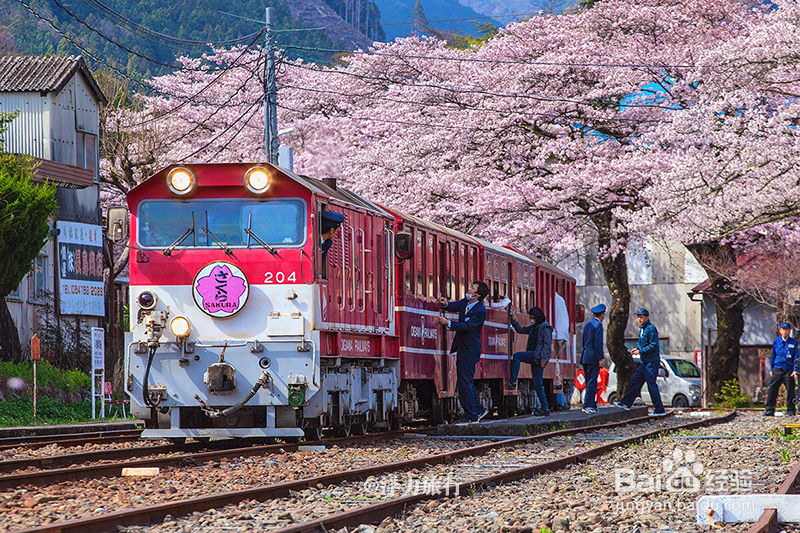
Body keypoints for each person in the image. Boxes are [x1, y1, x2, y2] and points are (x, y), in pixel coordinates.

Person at [436, 281, 490, 423]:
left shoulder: (480, 310)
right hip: (463, 347)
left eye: (472, 287)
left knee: (465, 382)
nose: (469, 288)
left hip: (470, 349)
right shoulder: (466, 302)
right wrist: (445, 304)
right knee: (464, 381)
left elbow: (468, 326)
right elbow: (455, 306)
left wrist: (448, 323)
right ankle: (478, 409)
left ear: (477, 295)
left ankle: (472, 414)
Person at [615, 308, 667, 417]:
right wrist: (637, 348)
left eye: (641, 317)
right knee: (635, 381)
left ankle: (659, 409)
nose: (639, 319)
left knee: (651, 385)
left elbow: (653, 345)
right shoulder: (642, 329)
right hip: (645, 362)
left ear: (647, 317)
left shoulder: (651, 329)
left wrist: (640, 351)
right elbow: (644, 343)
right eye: (638, 317)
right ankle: (626, 403)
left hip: (651, 362)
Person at [507, 306, 553, 417]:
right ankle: (545, 408)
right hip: (535, 357)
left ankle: (513, 381)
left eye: (532, 317)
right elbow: (521, 330)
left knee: (517, 356)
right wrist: (513, 319)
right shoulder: (533, 328)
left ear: (537, 317)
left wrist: (543, 359)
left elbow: (547, 345)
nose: (531, 319)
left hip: (537, 356)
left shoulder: (545, 328)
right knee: (537, 385)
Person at [764, 322, 798, 417]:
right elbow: (773, 356)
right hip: (778, 369)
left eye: (786, 330)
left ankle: (791, 410)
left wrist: (795, 370)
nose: (785, 331)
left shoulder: (793, 342)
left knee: (790, 391)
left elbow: (796, 357)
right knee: (772, 390)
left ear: (789, 331)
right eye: (783, 329)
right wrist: (771, 369)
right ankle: (769, 410)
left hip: (788, 369)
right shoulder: (776, 341)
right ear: (780, 331)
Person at [581, 303, 606, 414]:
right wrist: (600, 358)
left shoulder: (588, 324)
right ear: (602, 315)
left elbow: (583, 342)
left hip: (585, 356)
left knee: (588, 381)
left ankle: (591, 404)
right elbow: (598, 343)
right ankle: (588, 405)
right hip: (593, 358)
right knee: (592, 382)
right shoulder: (598, 325)